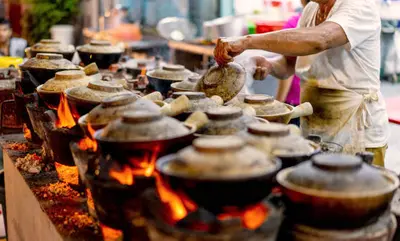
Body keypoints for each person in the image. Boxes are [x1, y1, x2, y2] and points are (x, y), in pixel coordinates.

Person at [214, 0, 389, 166]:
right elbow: (290, 63)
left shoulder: (360, 6)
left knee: (355, 193)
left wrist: (247, 41)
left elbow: (321, 39)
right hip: (316, 126)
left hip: (357, 129)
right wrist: (271, 65)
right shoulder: (311, 10)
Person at [276, 0, 310, 126]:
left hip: (295, 101)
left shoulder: (293, 24)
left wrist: (279, 104)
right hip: (317, 101)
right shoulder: (328, 27)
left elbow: (288, 69)